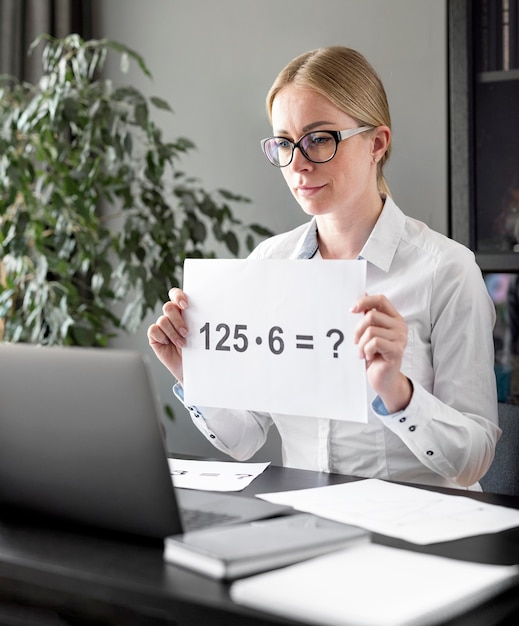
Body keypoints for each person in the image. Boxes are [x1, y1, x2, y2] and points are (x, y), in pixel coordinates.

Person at [147, 46, 500, 490]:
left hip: (416, 537)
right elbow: (244, 439)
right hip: (307, 525)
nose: (297, 162)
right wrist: (192, 370)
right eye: (284, 142)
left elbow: (474, 462)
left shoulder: (446, 271)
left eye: (319, 138)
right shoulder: (268, 266)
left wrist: (397, 390)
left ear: (377, 143)